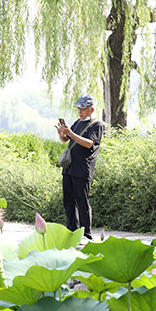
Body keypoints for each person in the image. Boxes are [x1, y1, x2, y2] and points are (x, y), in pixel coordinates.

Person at [54, 95, 104, 243]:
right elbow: (67, 140)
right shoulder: (77, 123)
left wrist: (70, 133)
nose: (80, 112)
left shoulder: (97, 124)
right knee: (68, 200)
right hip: (69, 167)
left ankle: (86, 233)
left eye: (83, 109)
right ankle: (72, 232)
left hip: (83, 168)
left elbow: (89, 143)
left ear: (91, 109)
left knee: (82, 201)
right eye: (78, 109)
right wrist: (62, 134)